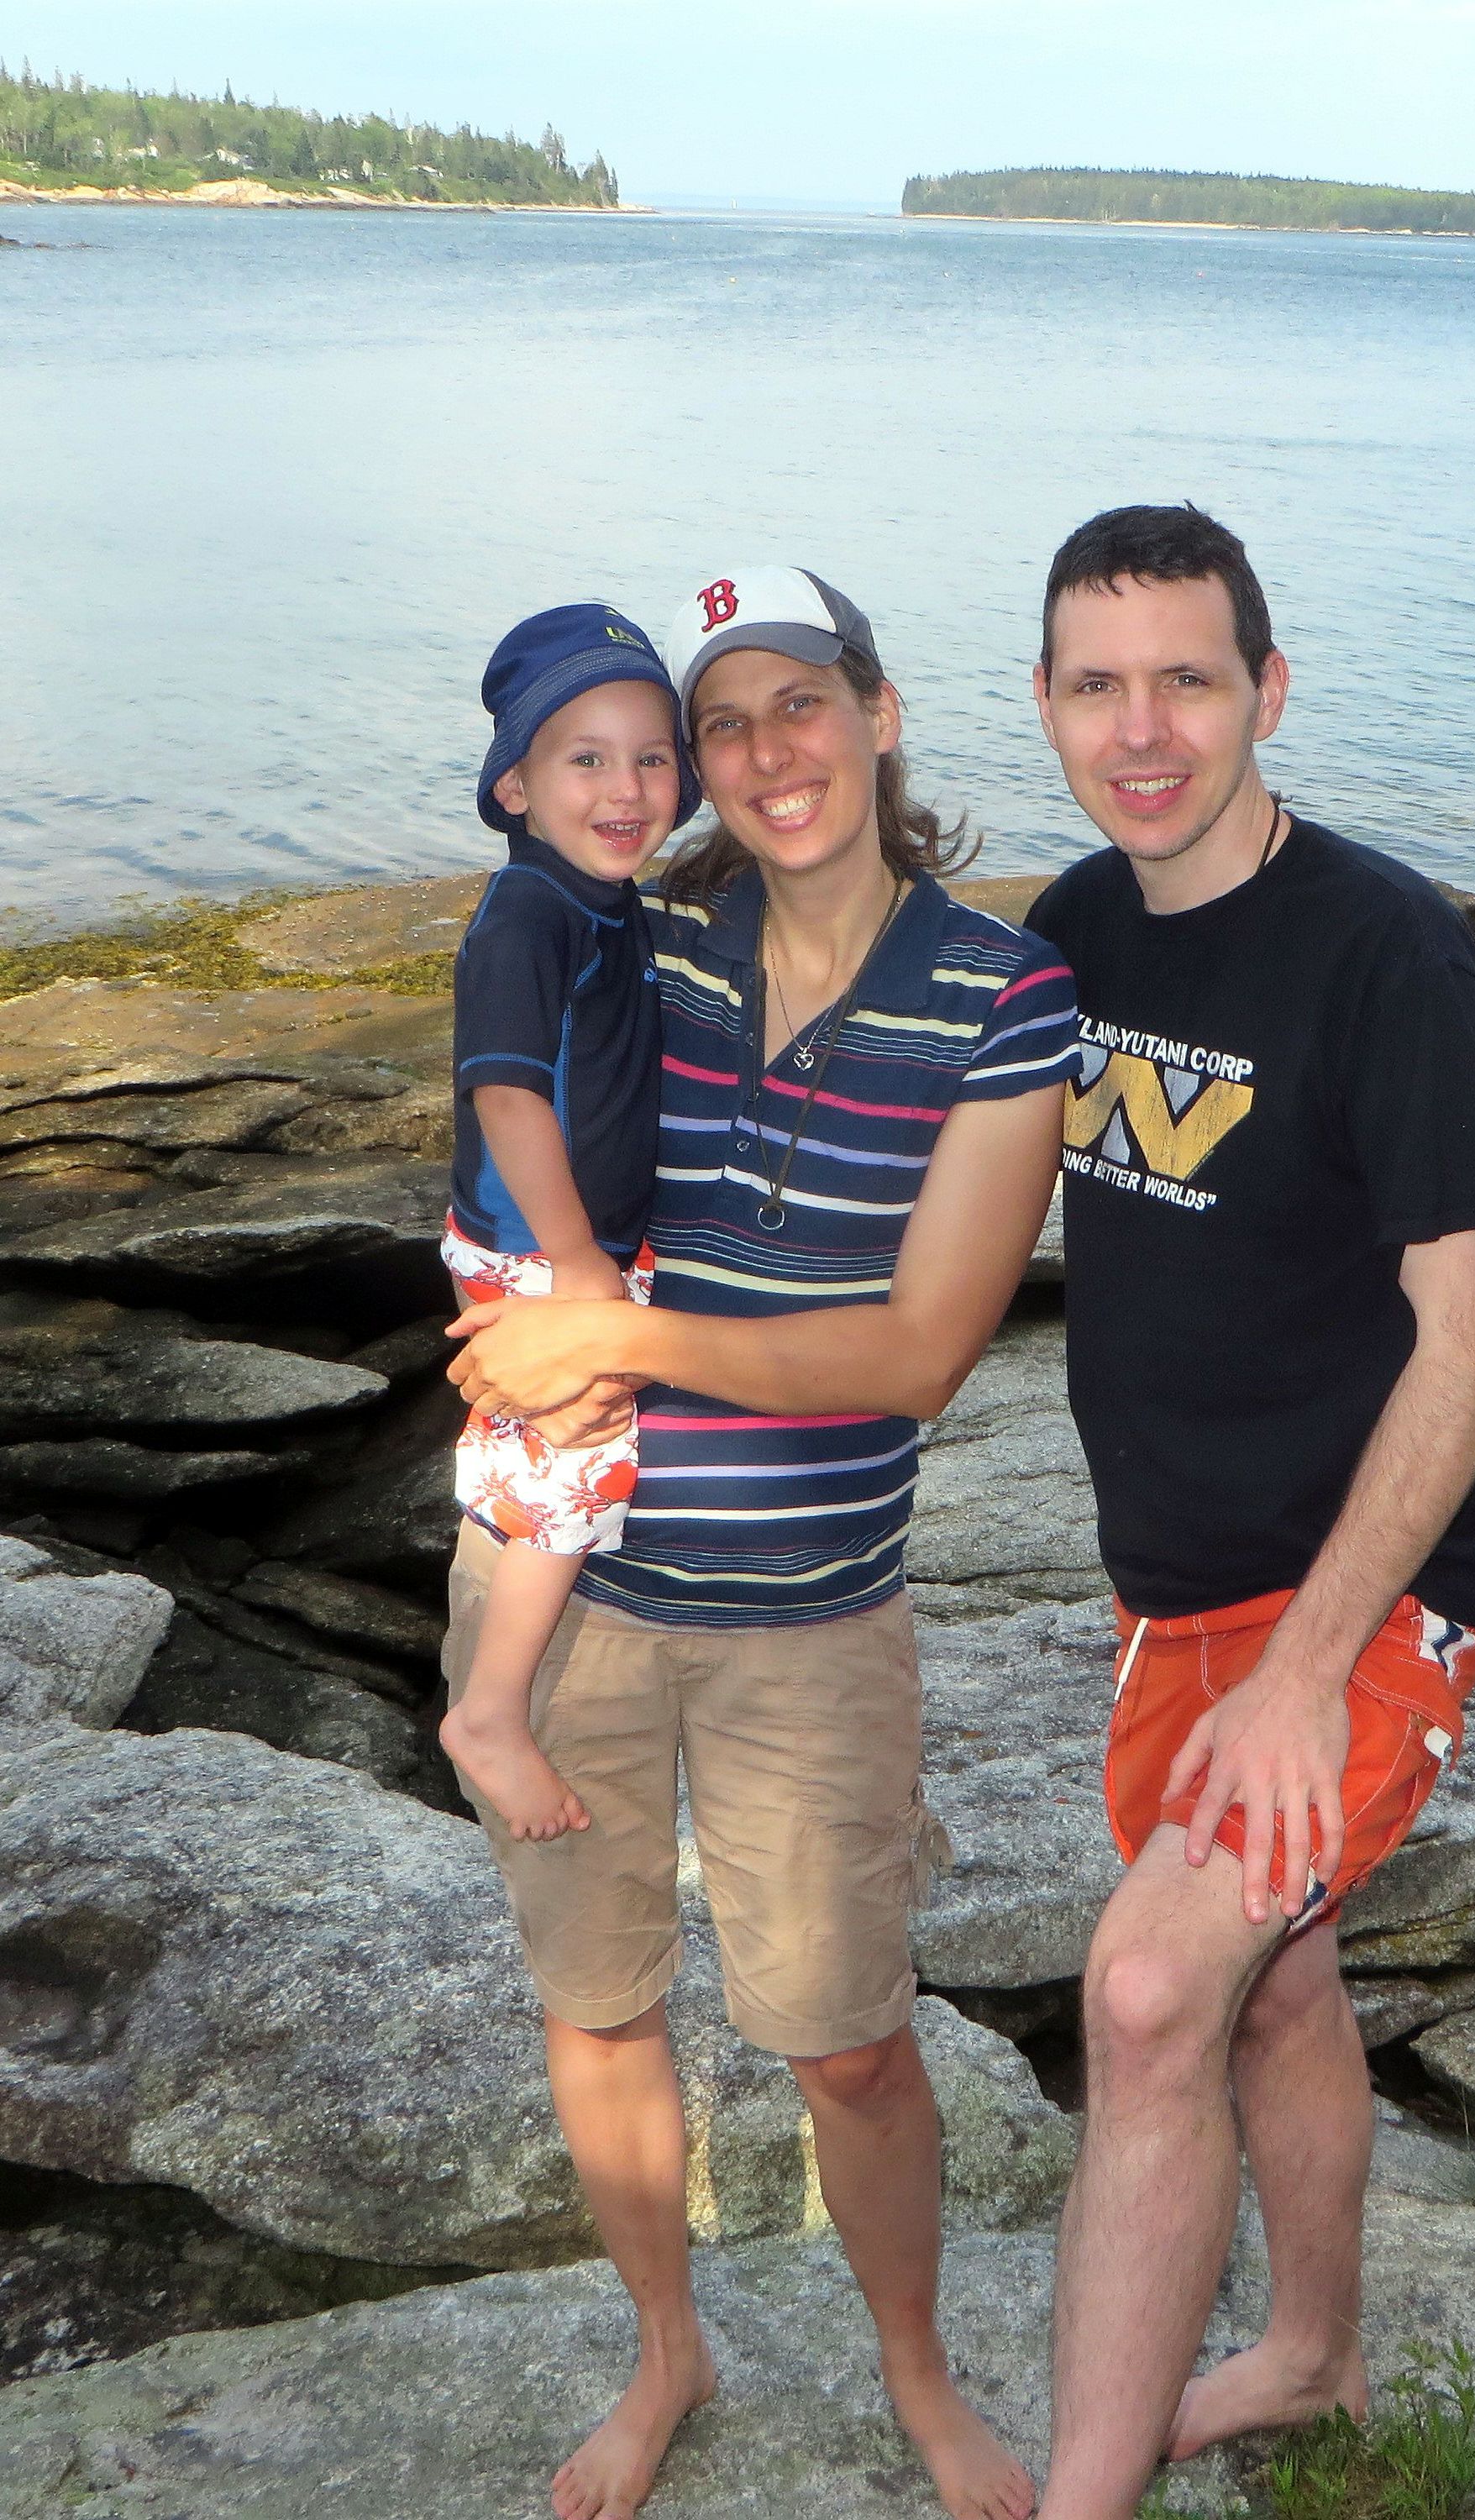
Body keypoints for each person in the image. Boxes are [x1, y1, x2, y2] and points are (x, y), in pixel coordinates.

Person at [443, 564, 1081, 2520]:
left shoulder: (1006, 995)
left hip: (810, 1619)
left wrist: (609, 1336)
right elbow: (507, 1086)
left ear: (879, 714)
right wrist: (511, 1297)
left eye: (799, 701)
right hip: (570, 1604)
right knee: (598, 2007)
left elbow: (916, 1357)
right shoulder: (655, 943)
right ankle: (668, 2351)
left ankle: (918, 2373)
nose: (763, 752)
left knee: (850, 2049)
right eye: (723, 725)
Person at [1020, 503, 1475, 2519]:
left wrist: (1310, 1674)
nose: (1142, 729)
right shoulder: (1074, 926)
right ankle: (1312, 2355)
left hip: (1368, 1597)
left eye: (1188, 678)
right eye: (1097, 684)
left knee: (1153, 1989)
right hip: (1175, 1591)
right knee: (1274, 1977)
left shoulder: (1385, 952)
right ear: (1045, 706)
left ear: (1269, 692)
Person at [437, 602, 701, 1842]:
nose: (625, 787)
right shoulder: (528, 917)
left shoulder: (606, 902)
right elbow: (507, 1094)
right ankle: (490, 1712)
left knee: (549, 1443)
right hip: (536, 1243)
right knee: (579, 1460)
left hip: (568, 1241)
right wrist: (580, 1260)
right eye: (585, 758)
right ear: (516, 788)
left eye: (652, 757)